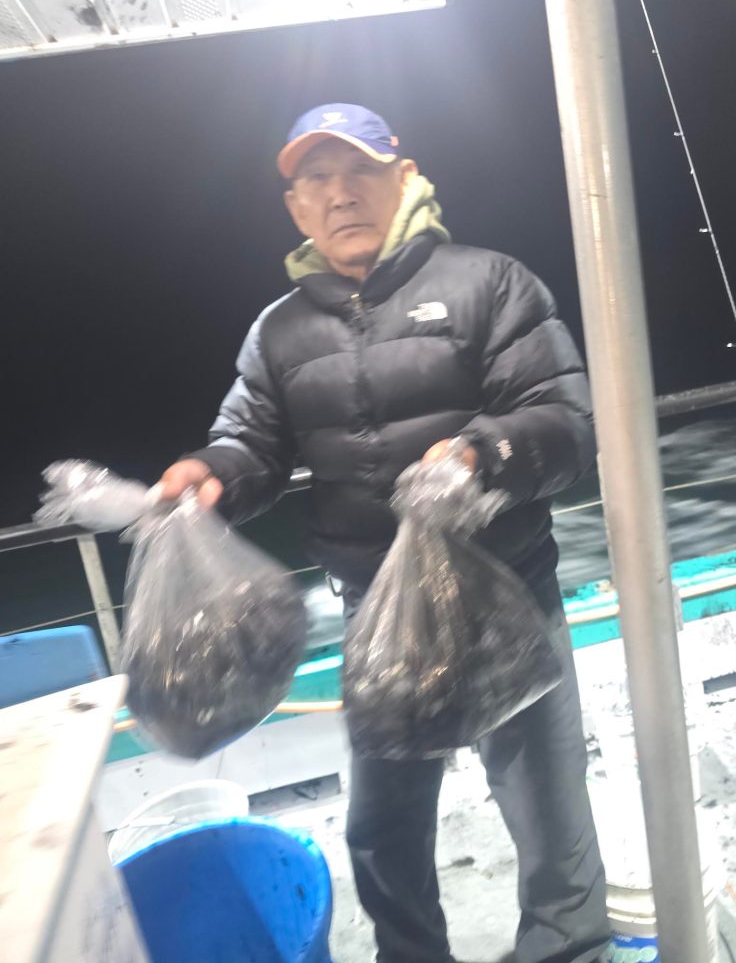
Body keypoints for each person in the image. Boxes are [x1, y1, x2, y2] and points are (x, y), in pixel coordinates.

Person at [158, 103, 610, 963]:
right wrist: (209, 475)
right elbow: (249, 440)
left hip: (506, 594)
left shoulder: (491, 281)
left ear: (404, 179)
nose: (339, 195)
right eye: (316, 180)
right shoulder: (279, 331)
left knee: (548, 810)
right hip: (380, 616)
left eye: (359, 172)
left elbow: (564, 423)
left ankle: (566, 951)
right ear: (295, 207)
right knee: (383, 827)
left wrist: (484, 452)